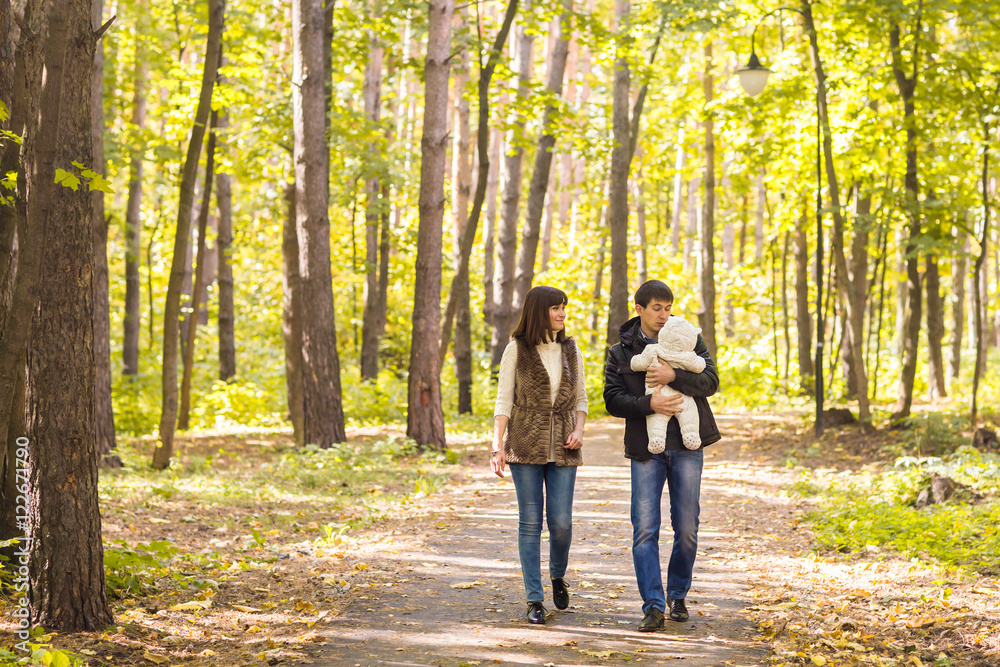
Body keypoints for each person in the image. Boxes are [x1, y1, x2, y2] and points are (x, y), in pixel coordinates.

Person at [603, 280, 720, 632]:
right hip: (645, 448)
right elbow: (611, 399)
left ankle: (677, 594)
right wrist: (648, 403)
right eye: (657, 308)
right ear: (639, 309)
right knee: (645, 529)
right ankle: (652, 605)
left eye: (668, 308)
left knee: (687, 528)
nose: (664, 315)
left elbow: (711, 381)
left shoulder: (689, 337)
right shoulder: (621, 351)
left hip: (688, 446)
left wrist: (675, 375)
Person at [490, 285, 588, 625]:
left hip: (564, 443)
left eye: (564, 307)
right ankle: (535, 599)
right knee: (529, 523)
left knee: (560, 523)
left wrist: (579, 430)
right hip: (524, 442)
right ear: (538, 311)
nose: (562, 313)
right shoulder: (516, 350)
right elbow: (504, 400)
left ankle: (557, 575)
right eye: (555, 308)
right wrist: (497, 445)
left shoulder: (571, 350)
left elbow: (581, 399)